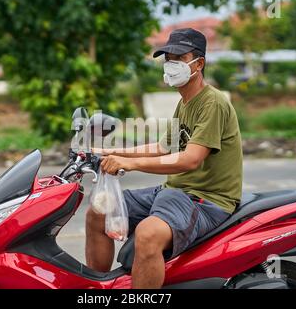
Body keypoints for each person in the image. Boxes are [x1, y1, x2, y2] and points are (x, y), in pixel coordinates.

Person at [85, 28, 243, 289]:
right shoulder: (185, 102)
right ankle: (98, 290)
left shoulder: (212, 103)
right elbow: (163, 147)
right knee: (98, 212)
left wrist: (130, 164)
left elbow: (190, 160)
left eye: (179, 58)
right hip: (174, 191)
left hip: (205, 199)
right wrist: (111, 153)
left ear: (198, 64)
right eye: (168, 58)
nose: (170, 65)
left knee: (148, 234)